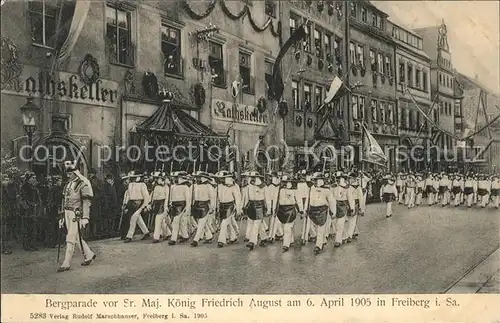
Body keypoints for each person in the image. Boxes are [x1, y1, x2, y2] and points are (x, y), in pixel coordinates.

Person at [58, 161, 96, 272]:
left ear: (75, 173)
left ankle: (66, 263)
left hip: (76, 214)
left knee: (70, 237)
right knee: (76, 237)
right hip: (67, 213)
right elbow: (63, 201)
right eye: (67, 173)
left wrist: (85, 217)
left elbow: (86, 202)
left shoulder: (82, 184)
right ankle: (89, 254)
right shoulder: (67, 184)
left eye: (70, 173)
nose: (68, 175)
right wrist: (61, 217)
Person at [308, 172, 336, 254]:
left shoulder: (327, 190)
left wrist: (333, 211)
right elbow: (308, 199)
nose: (317, 182)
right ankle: (323, 240)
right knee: (316, 227)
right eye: (315, 180)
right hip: (313, 210)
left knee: (321, 227)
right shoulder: (311, 189)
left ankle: (318, 245)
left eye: (319, 180)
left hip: (322, 210)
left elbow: (332, 201)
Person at [276, 174, 303, 252]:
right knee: (287, 226)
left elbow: (299, 201)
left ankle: (285, 245)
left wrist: (301, 210)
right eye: (285, 182)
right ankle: (290, 240)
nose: (286, 183)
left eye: (288, 182)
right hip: (282, 210)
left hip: (291, 210)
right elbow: (277, 201)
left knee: (287, 228)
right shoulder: (280, 190)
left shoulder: (295, 191)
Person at [123, 171, 151, 243]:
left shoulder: (142, 185)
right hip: (131, 203)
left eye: (134, 177)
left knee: (133, 219)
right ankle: (146, 232)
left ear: (138, 177)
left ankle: (129, 236)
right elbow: (128, 195)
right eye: (132, 177)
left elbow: (146, 196)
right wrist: (125, 204)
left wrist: (145, 205)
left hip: (139, 203)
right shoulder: (130, 185)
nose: (133, 179)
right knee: (138, 219)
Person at [217, 171, 242, 248]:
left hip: (230, 206)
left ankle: (221, 240)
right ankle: (233, 237)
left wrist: (238, 210)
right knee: (229, 223)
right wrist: (217, 207)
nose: (222, 180)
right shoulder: (220, 186)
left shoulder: (234, 186)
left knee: (224, 223)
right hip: (222, 206)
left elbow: (238, 198)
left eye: (223, 178)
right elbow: (218, 198)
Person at [244, 171, 269, 250]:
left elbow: (267, 199)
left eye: (254, 178)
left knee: (256, 224)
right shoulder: (248, 187)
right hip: (251, 206)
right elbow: (247, 197)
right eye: (251, 178)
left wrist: (269, 209)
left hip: (259, 206)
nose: (252, 179)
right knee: (259, 224)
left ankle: (252, 241)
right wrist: (244, 206)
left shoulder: (264, 187)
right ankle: (264, 238)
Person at [191, 171, 215, 247]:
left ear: (204, 178)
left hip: (205, 205)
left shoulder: (209, 186)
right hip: (197, 205)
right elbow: (195, 196)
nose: (198, 178)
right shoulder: (197, 186)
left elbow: (212, 198)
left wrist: (212, 207)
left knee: (201, 223)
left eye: (200, 177)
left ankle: (195, 240)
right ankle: (209, 236)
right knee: (202, 223)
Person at [19, 171, 41, 251]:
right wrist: (27, 207)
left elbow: (37, 198)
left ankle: (32, 244)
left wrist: (37, 205)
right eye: (33, 178)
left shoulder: (34, 187)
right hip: (27, 211)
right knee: (27, 228)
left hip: (33, 210)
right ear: (28, 179)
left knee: (33, 228)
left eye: (35, 178)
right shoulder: (24, 187)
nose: (34, 179)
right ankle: (26, 245)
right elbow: (22, 199)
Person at [168, 171, 192, 245]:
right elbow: (171, 197)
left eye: (181, 178)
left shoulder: (186, 187)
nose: (179, 179)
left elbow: (188, 199)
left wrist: (187, 208)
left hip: (182, 205)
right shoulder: (173, 186)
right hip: (175, 205)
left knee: (176, 221)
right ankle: (185, 236)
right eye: (179, 178)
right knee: (181, 222)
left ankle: (173, 239)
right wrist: (170, 204)